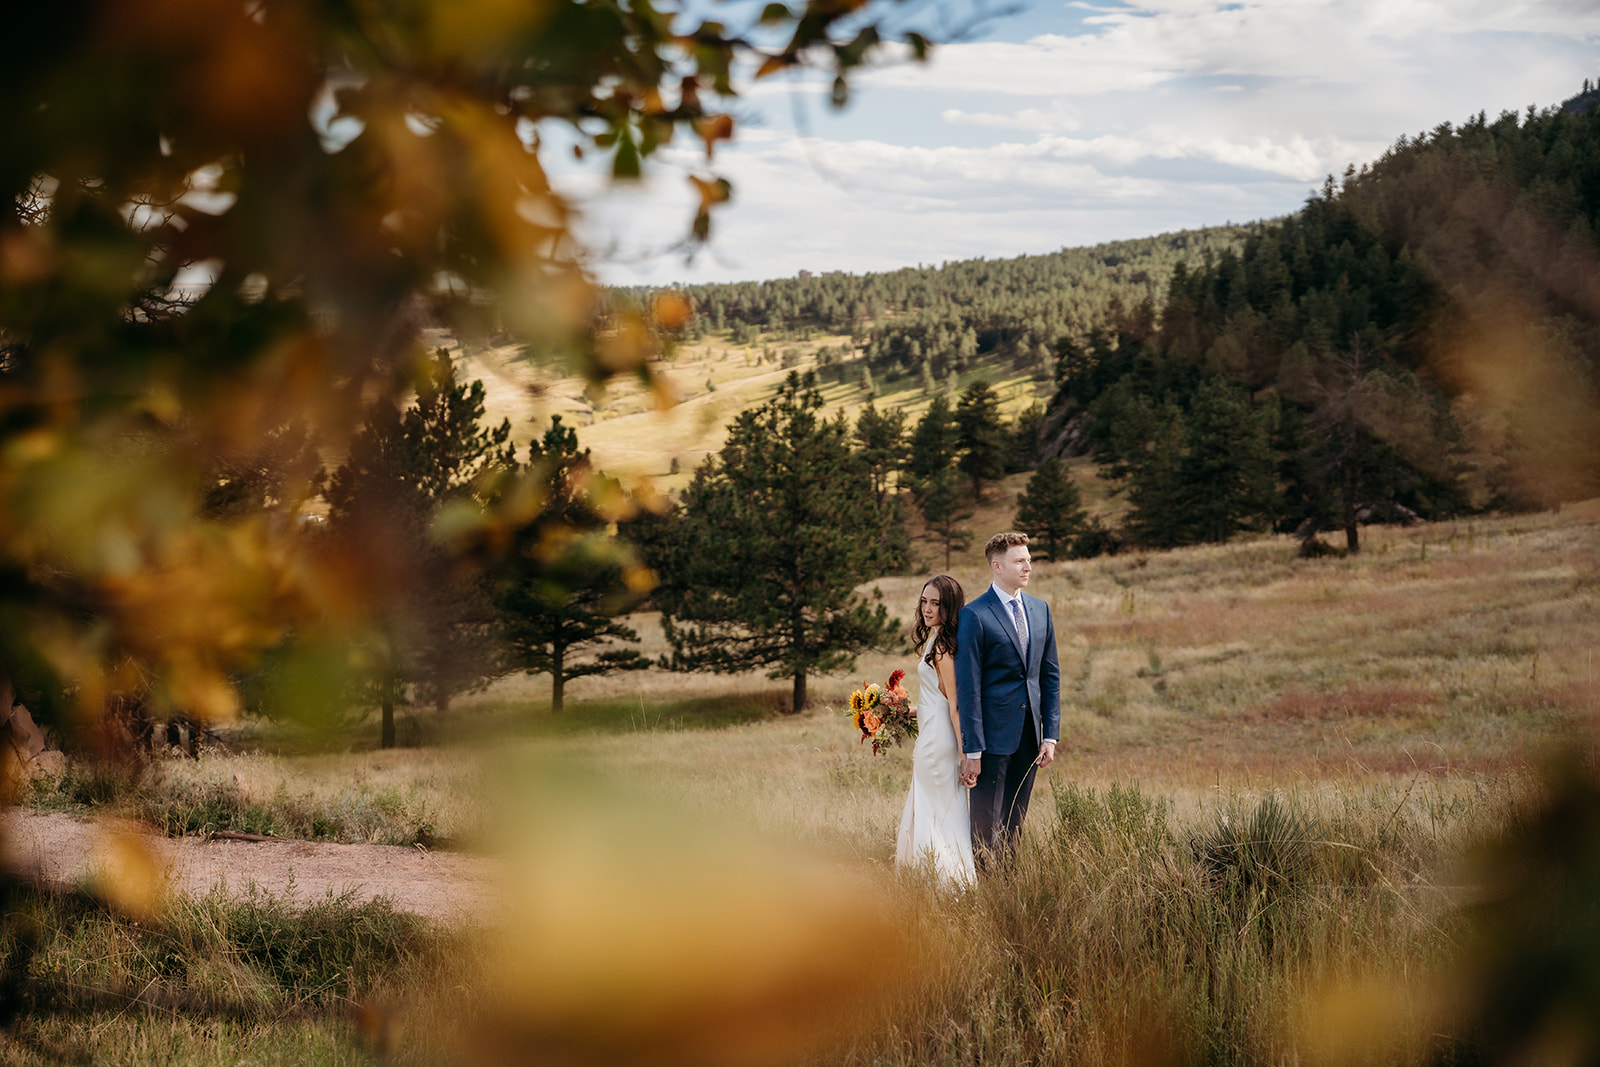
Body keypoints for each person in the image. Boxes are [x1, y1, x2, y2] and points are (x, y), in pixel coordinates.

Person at [956, 531, 1061, 873]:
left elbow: (1049, 676)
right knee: (985, 824)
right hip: (991, 740)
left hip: (1030, 735)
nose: (1028, 566)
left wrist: (1050, 735)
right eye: (1020, 561)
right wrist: (972, 750)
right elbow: (968, 687)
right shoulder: (975, 615)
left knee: (1015, 821)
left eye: (1029, 559)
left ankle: (1008, 886)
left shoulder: (1040, 609)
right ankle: (983, 888)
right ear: (997, 566)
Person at [895, 574, 976, 886]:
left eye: (936, 603)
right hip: (931, 731)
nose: (927, 609)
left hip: (938, 741)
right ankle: (933, 880)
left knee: (936, 813)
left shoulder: (943, 646)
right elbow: (936, 702)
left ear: (949, 607)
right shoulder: (935, 638)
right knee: (933, 809)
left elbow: (954, 704)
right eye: (924, 601)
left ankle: (943, 884)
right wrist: (902, 712)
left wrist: (966, 753)